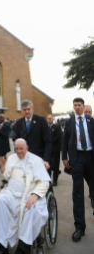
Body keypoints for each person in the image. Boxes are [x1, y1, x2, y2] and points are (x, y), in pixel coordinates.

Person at [0, 139, 50, 254]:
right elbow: (6, 176)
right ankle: (2, 246)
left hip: (29, 195)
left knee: (32, 209)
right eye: (16, 149)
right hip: (11, 193)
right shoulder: (11, 158)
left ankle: (23, 249)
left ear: (26, 148)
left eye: (21, 149)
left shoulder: (36, 160)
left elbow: (44, 182)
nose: (19, 151)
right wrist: (2, 167)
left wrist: (35, 195)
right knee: (0, 200)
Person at [62, 98, 94, 242]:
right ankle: (80, 227)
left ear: (83, 106)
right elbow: (64, 140)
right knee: (78, 192)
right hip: (77, 159)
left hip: (91, 157)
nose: (77, 107)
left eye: (79, 105)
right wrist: (64, 157)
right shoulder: (69, 122)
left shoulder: (90, 120)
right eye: (74, 105)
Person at [13, 100, 51, 170]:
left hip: (39, 158)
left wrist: (46, 159)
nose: (27, 112)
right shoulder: (19, 123)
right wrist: (17, 157)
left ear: (32, 109)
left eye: (28, 109)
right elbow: (16, 142)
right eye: (24, 110)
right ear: (22, 110)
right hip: (24, 159)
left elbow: (48, 141)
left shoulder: (41, 120)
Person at [47, 114, 62, 186]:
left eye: (50, 118)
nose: (49, 120)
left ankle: (55, 180)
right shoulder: (45, 127)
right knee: (49, 165)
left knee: (56, 164)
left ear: (53, 119)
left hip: (55, 148)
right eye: (48, 119)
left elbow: (59, 136)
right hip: (48, 149)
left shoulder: (57, 127)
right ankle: (48, 180)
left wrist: (50, 141)